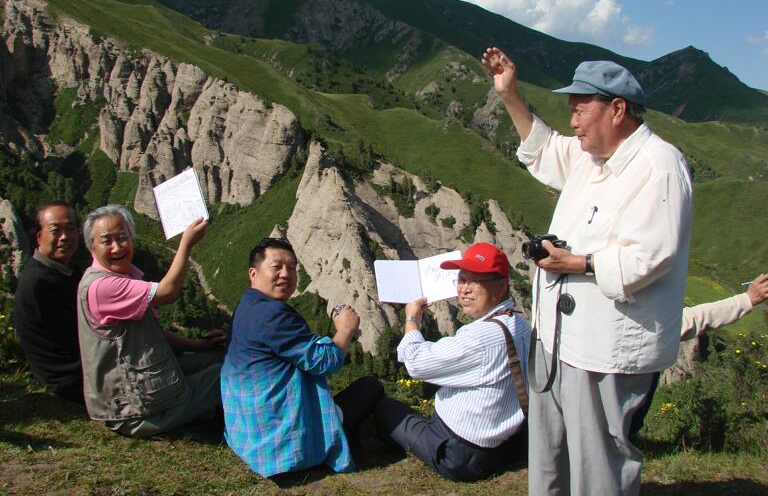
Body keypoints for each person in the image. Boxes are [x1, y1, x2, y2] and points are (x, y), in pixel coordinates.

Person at [482, 48, 693, 495]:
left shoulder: (659, 166)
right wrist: (510, 95)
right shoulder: (591, 157)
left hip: (606, 349)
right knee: (550, 457)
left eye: (580, 110)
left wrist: (576, 263)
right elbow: (543, 149)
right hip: (559, 339)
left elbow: (653, 255)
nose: (572, 122)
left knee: (599, 466)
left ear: (616, 109)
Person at [221, 237, 384, 477]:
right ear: (253, 274)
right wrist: (345, 330)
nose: (286, 274)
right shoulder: (273, 314)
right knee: (370, 387)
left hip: (246, 432)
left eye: (292, 267)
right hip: (277, 443)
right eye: (276, 267)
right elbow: (325, 363)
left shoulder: (247, 303)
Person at [374, 242, 531, 482]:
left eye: (475, 281)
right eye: (461, 279)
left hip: (459, 453)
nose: (464, 289)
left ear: (501, 287)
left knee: (385, 408)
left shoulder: (481, 338)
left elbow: (415, 363)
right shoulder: (519, 324)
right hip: (506, 445)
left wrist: (412, 319)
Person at [77, 204, 225, 438]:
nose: (117, 247)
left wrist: (198, 346)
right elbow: (168, 292)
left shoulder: (112, 278)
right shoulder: (103, 287)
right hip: (135, 412)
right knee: (232, 371)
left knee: (219, 356)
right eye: (107, 241)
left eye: (122, 237)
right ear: (91, 246)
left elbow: (150, 333)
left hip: (144, 386)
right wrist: (186, 244)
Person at [630, 273, 768, 436]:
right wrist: (748, 299)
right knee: (650, 365)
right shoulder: (643, 325)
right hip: (612, 426)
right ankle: (626, 433)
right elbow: (695, 319)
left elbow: (693, 319)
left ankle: (626, 433)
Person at [13, 202, 84, 402]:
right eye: (55, 230)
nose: (65, 237)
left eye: (70, 229)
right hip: (72, 379)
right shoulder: (39, 283)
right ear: (38, 237)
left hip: (79, 371)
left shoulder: (62, 271)